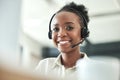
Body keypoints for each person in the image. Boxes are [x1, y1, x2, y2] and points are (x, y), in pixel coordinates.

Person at [35, 2, 90, 78]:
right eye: (56, 29)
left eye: (69, 28)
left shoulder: (94, 69)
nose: (61, 34)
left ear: (83, 34)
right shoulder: (44, 66)